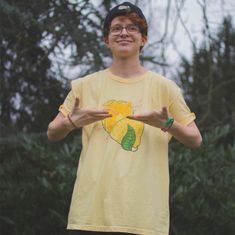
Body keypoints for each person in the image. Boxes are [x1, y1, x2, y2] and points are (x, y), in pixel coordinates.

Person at [47, 2, 202, 235]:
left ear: (144, 40)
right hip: (89, 217)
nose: (124, 33)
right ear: (106, 40)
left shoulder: (165, 88)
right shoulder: (84, 86)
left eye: (132, 28)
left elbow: (195, 139)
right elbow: (52, 132)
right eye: (116, 28)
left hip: (144, 219)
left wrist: (167, 124)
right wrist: (71, 123)